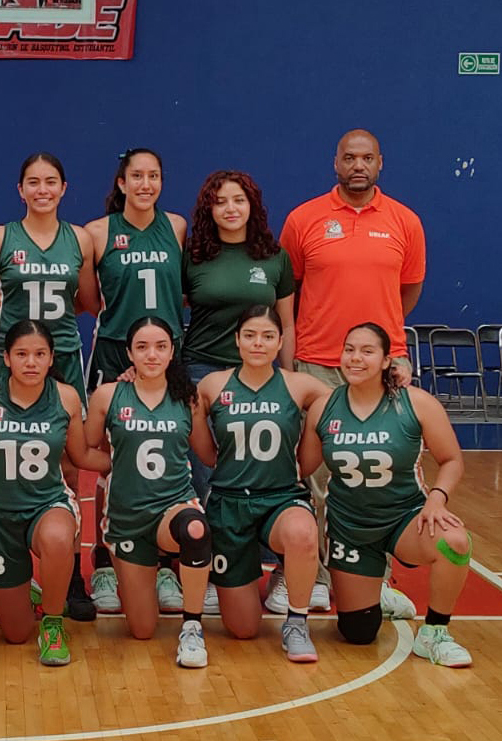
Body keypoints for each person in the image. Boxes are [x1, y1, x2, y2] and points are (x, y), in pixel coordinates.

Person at [280, 128, 425, 620]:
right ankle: (317, 577)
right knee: (318, 481)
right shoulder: (303, 219)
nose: (357, 165)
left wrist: (388, 351)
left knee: (379, 481)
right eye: (349, 157)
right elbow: (290, 291)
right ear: (335, 163)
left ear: (380, 162)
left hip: (383, 368)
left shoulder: (405, 221)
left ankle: (375, 580)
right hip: (318, 364)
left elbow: (407, 294)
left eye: (367, 157)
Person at [0, 152, 100, 622]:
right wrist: (15, 328)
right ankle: (4, 578)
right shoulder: (0, 238)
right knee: (5, 459)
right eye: (33, 182)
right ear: (20, 190)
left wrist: (44, 334)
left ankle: (71, 576)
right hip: (12, 364)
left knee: (72, 470)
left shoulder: (79, 239)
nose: (42, 189)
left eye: (50, 182)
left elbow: (89, 301)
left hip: (62, 364)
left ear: (63, 188)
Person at [0, 320, 109, 666]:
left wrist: (124, 462)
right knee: (14, 634)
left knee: (58, 538)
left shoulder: (66, 397)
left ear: (51, 358)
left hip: (48, 503)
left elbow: (81, 456)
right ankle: (23, 587)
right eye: (22, 354)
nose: (31, 362)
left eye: (40, 354)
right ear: (7, 358)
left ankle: (54, 624)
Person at [299, 323, 472, 667]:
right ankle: (377, 592)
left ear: (384, 361)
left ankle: (435, 632)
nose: (355, 358)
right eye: (349, 349)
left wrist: (437, 497)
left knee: (454, 542)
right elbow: (302, 467)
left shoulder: (416, 403)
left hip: (405, 518)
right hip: (350, 527)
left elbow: (452, 460)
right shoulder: (324, 408)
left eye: (367, 351)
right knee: (359, 632)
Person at [182, 170, 312, 614]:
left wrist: (288, 375)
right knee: (210, 476)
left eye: (238, 200)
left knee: (269, 473)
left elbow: (288, 323)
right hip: (203, 370)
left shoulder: (274, 257)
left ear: (252, 205)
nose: (231, 208)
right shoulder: (195, 255)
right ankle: (219, 569)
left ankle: (276, 568)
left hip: (262, 374)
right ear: (209, 210)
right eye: (220, 202)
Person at [189, 305, 330, 663]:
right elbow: (206, 455)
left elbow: (338, 399)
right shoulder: (213, 385)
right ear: (237, 340)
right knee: (243, 629)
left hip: (280, 498)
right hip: (229, 502)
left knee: (302, 532)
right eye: (250, 335)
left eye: (268, 336)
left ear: (280, 341)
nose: (258, 343)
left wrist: (307, 451)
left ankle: (296, 621)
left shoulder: (299, 385)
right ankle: (247, 586)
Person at [83, 148, 187, 616]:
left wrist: (156, 350)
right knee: (113, 459)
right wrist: (129, 349)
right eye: (137, 176)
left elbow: (180, 292)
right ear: (121, 183)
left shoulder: (178, 227)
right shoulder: (98, 233)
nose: (146, 184)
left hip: (166, 355)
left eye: (154, 176)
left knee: (169, 455)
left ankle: (164, 563)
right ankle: (105, 559)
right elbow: (88, 298)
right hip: (114, 352)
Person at [83, 317, 210, 668]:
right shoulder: (109, 395)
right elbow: (84, 450)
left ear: (172, 352)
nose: (151, 355)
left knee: (195, 528)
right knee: (142, 629)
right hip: (126, 519)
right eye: (142, 347)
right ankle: (154, 579)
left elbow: (207, 454)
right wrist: (116, 463)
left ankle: (193, 627)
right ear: (129, 354)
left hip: (172, 507)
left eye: (160, 347)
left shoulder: (187, 397)